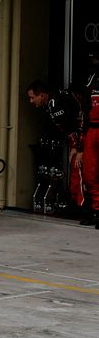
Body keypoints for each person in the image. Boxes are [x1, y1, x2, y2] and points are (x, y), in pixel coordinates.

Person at [26, 79, 85, 213]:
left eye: (32, 98)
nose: (31, 101)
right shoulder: (53, 102)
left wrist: (77, 147)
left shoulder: (56, 104)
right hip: (79, 139)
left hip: (84, 138)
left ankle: (83, 209)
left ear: (42, 95)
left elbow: (73, 125)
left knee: (79, 171)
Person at [81, 50, 99, 228]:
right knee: (90, 174)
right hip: (92, 129)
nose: (94, 61)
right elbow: (85, 107)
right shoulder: (91, 78)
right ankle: (96, 211)